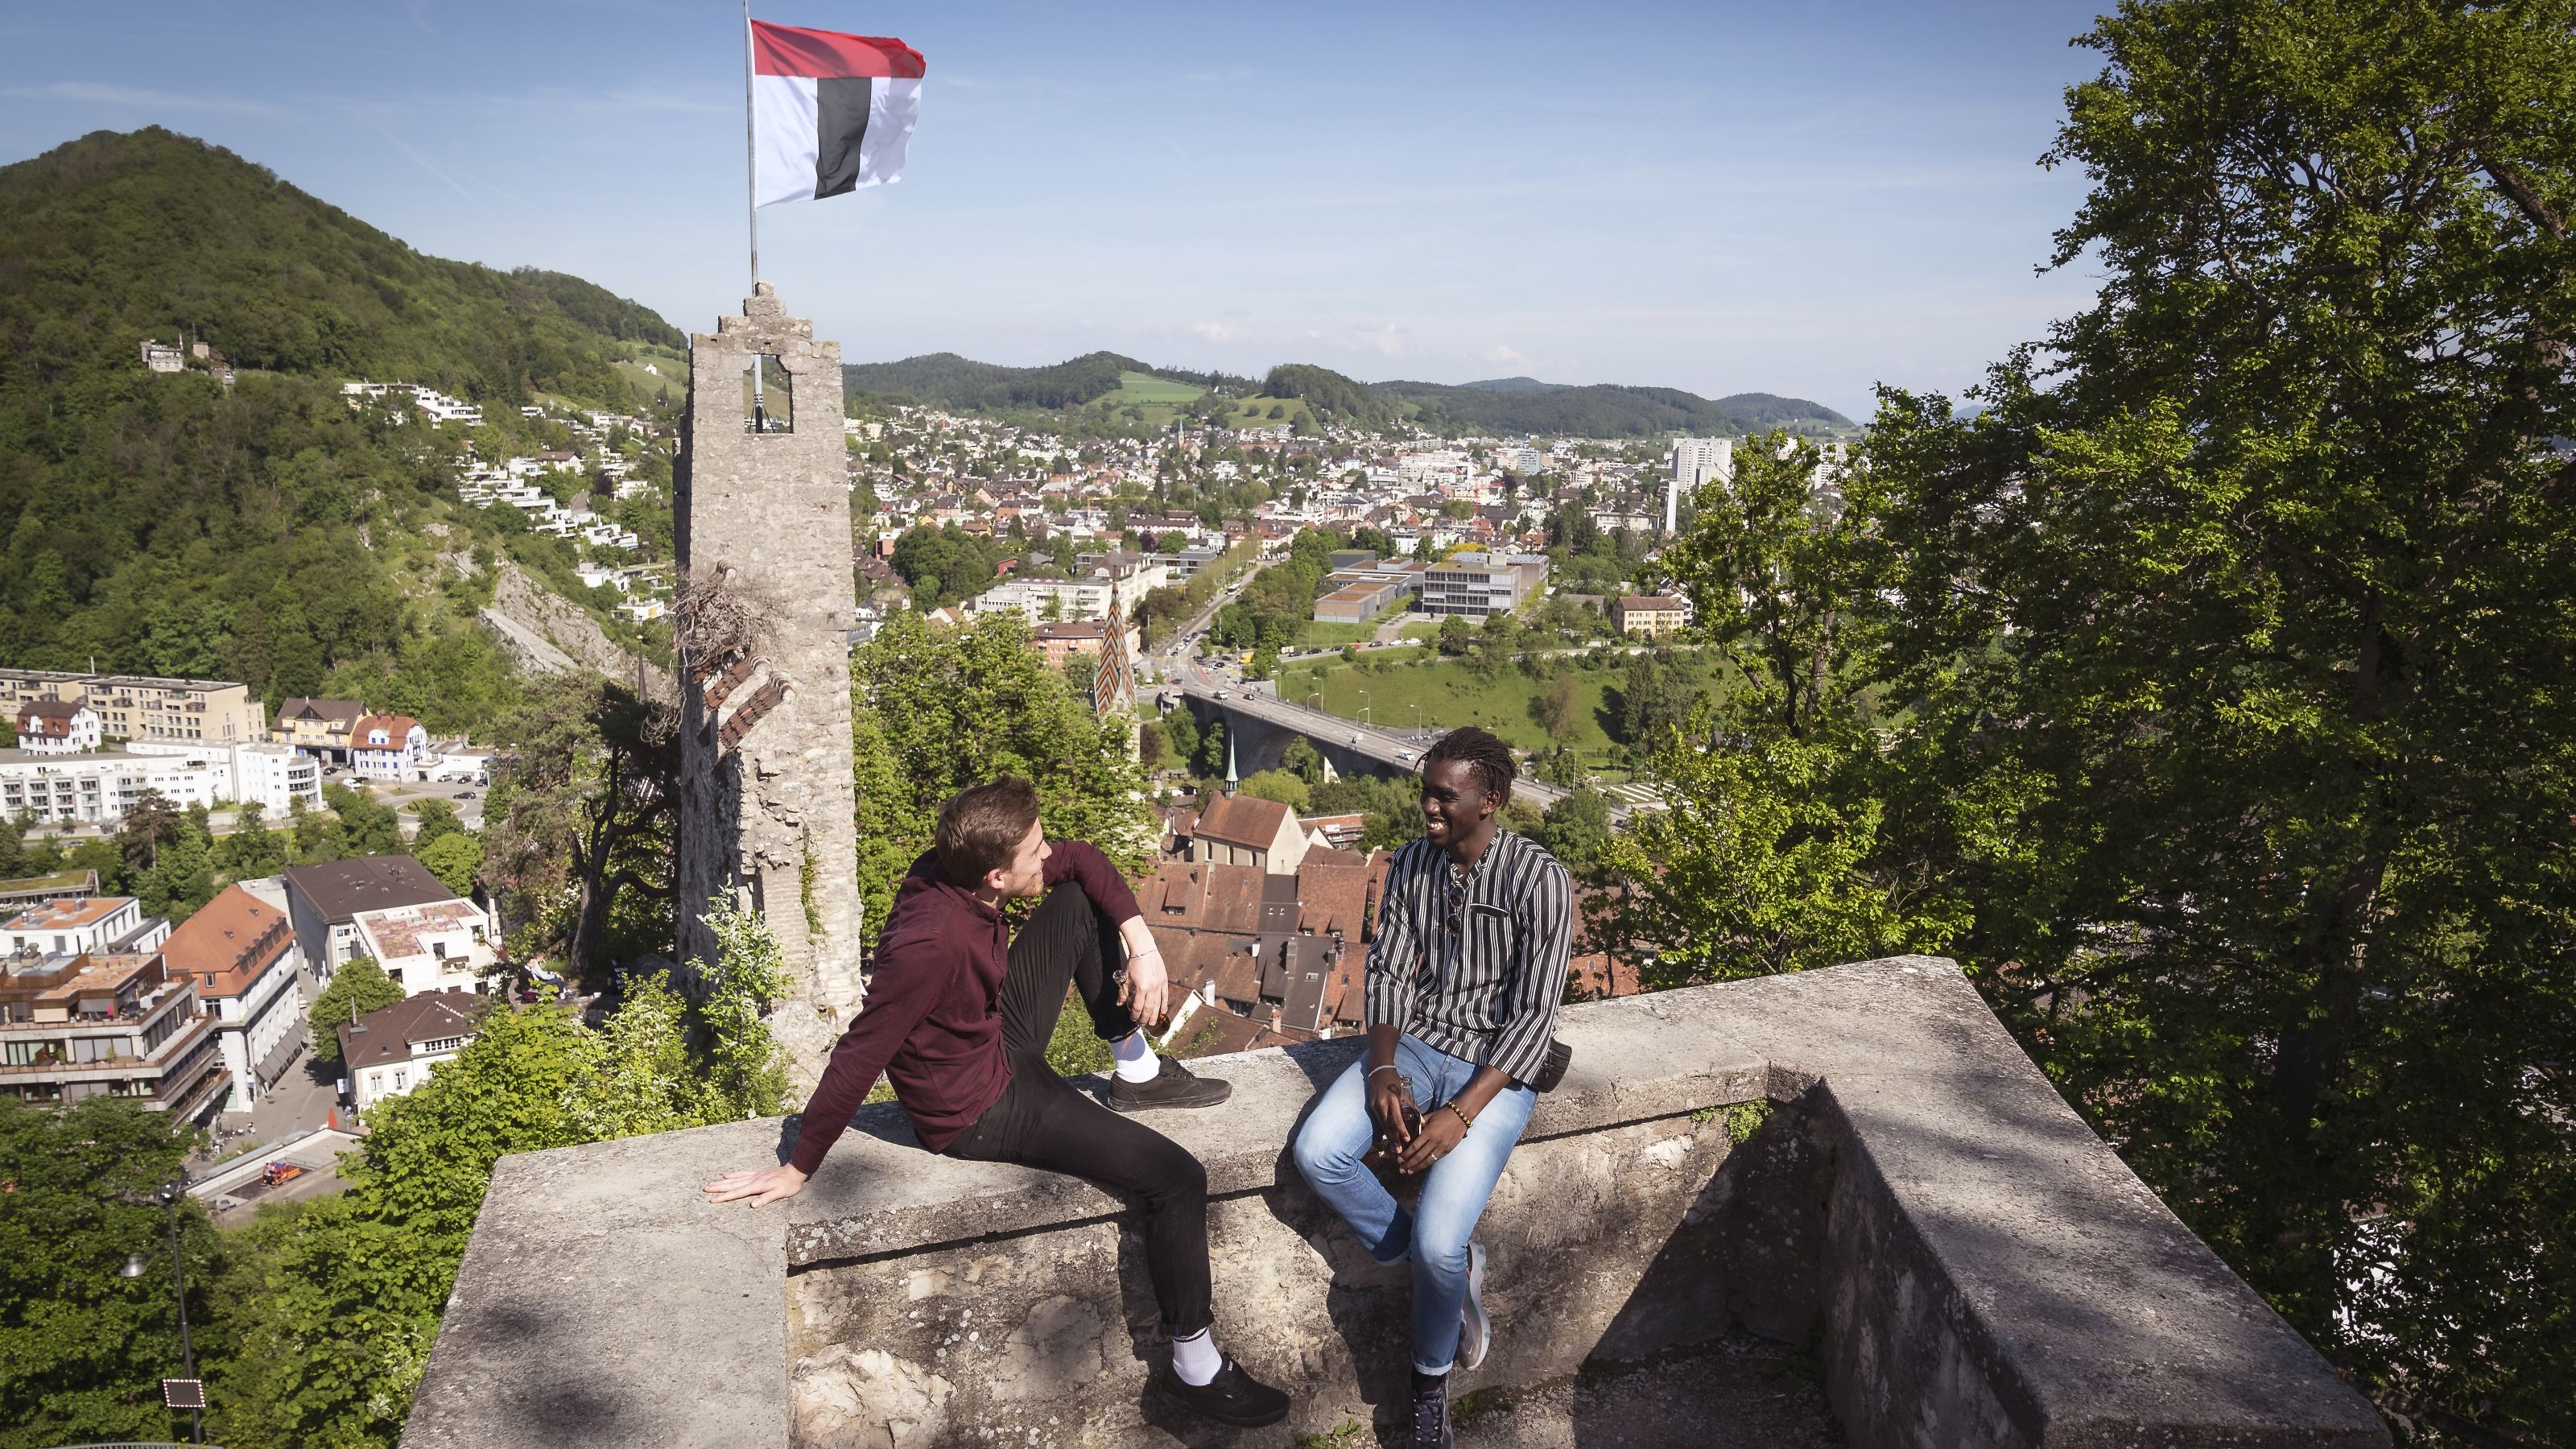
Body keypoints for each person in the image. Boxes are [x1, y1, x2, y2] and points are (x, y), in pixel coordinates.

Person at [704, 777, 1291, 1428]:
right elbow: (860, 1053)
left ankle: (1137, 1070)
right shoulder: (929, 945)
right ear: (995, 875)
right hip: (980, 1107)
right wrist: (798, 1167)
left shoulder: (961, 869)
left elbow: (1082, 861)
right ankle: (1196, 1370)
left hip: (994, 1036)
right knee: (1177, 1176)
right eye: (1034, 852)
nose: (1047, 855)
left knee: (1079, 899)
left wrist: (1143, 947)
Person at [1290, 728, 1571, 1449]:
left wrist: (1459, 1116)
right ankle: (1434, 1267)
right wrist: (1382, 1068)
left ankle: (1428, 1387)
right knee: (1319, 1152)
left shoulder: (1538, 879)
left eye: (1446, 796)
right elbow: (1388, 970)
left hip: (1496, 1071)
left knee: (1442, 1243)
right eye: (1427, 792)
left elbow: (1535, 1017)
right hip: (1417, 1045)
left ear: (1490, 800)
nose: (1429, 807)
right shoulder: (1413, 863)